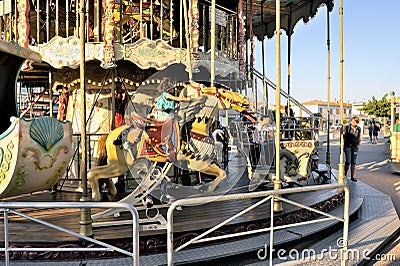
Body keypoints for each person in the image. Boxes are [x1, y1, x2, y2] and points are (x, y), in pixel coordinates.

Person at [343, 116, 361, 182]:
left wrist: (358, 144)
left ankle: (352, 176)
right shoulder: (347, 127)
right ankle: (345, 174)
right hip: (347, 146)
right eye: (352, 121)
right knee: (348, 161)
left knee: (353, 161)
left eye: (354, 122)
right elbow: (343, 135)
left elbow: (359, 137)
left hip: (355, 147)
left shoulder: (358, 128)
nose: (353, 123)